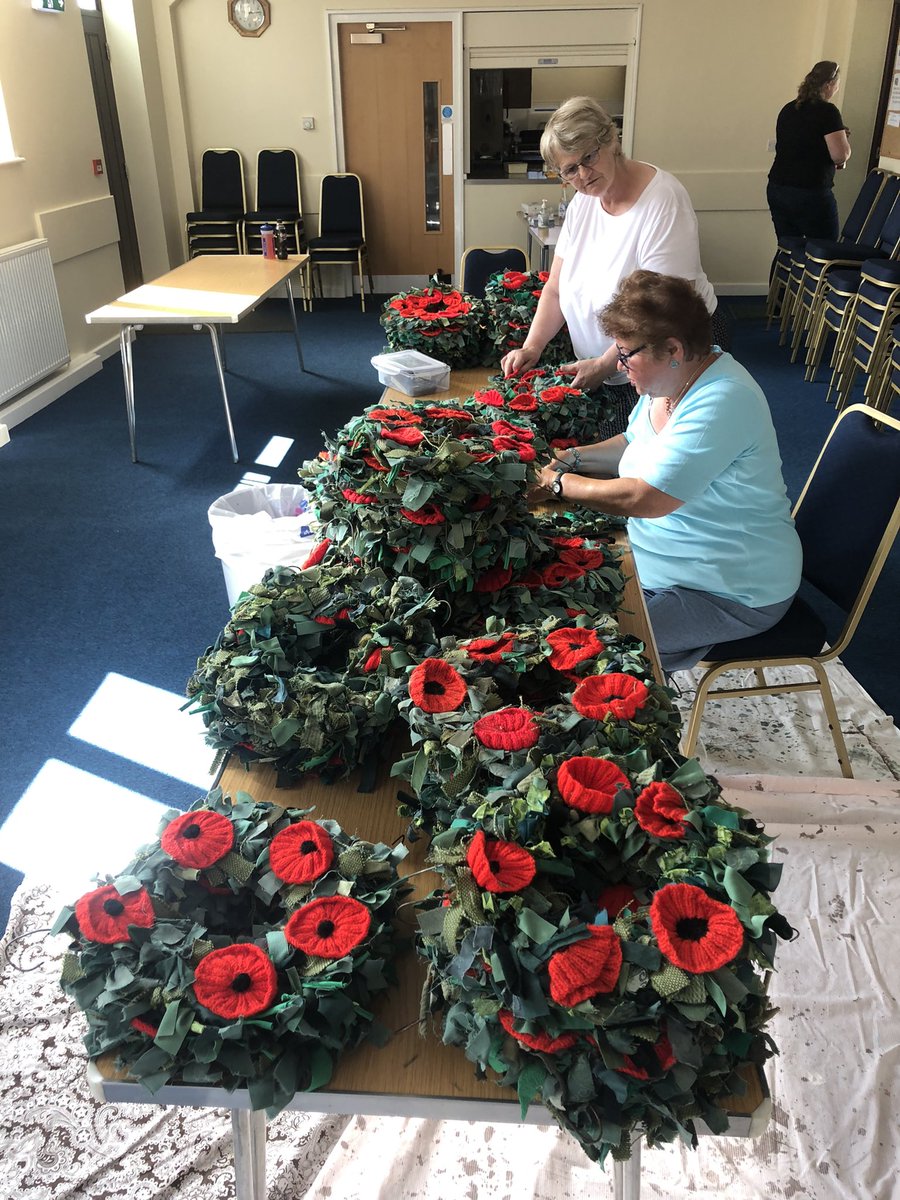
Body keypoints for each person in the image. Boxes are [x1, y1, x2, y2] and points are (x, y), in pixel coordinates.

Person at [531, 271, 802, 674]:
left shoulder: (722, 400)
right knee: (556, 609)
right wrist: (570, 458)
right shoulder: (674, 382)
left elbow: (647, 498)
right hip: (664, 564)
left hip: (729, 590)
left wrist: (558, 483)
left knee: (584, 651)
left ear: (673, 348)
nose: (620, 367)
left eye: (626, 354)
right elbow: (631, 443)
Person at [500, 96, 727, 432]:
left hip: (665, 356)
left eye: (588, 158)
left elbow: (661, 311)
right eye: (569, 170)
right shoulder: (583, 204)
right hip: (611, 363)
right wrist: (533, 346)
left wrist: (608, 364)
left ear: (611, 139)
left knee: (642, 465)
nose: (583, 174)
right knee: (610, 454)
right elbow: (556, 290)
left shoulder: (663, 201)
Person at [767, 61, 851, 242]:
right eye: (837, 84)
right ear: (829, 84)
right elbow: (839, 155)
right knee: (823, 250)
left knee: (788, 248)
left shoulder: (789, 108)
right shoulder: (828, 112)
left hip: (778, 187)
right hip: (809, 191)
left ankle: (781, 272)